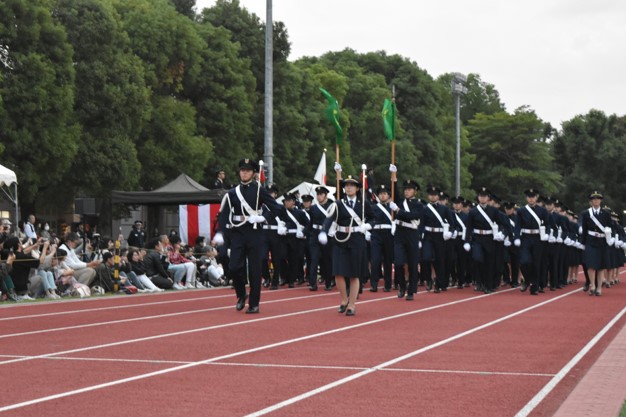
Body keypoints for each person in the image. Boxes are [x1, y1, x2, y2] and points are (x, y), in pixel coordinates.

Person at [213, 158, 285, 314]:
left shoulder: (259, 190)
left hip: (255, 233)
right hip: (237, 233)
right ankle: (241, 294)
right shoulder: (232, 193)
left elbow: (277, 209)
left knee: (255, 270)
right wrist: (220, 233)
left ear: (253, 173)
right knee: (233, 267)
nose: (244, 173)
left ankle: (254, 303)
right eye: (242, 170)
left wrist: (263, 217)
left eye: (247, 171)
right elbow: (224, 215)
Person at [319, 171, 374, 316]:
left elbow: (373, 218)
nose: (348, 188)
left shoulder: (364, 204)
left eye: (352, 186)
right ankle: (344, 300)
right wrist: (324, 231)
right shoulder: (338, 204)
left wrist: (367, 226)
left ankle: (352, 304)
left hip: (357, 239)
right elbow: (329, 219)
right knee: (338, 272)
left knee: (354, 274)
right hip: (340, 239)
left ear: (357, 188)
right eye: (346, 186)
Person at [388, 176, 424, 300]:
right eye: (405, 189)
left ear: (415, 191)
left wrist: (398, 210)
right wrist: (394, 177)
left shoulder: (419, 205)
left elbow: (412, 216)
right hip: (399, 233)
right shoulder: (400, 202)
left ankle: (411, 290)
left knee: (413, 263)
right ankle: (402, 286)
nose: (406, 191)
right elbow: (394, 192)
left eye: (409, 189)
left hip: (412, 234)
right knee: (398, 262)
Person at [514, 188, 552, 295]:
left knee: (536, 263)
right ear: (526, 198)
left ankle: (534, 287)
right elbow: (518, 225)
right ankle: (527, 280)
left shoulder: (542, 211)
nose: (531, 199)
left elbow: (548, 225)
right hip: (525, 238)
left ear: (536, 197)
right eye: (529, 197)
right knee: (524, 261)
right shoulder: (521, 211)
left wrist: (547, 234)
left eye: (533, 197)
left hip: (538, 238)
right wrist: (517, 237)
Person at [579, 191, 612, 296]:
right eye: (594, 199)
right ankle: (592, 285)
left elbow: (610, 227)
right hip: (590, 241)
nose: (596, 200)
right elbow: (584, 229)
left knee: (601, 266)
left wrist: (609, 237)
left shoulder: (606, 214)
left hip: (602, 241)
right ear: (591, 201)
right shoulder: (586, 213)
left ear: (600, 200)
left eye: (598, 199)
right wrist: (582, 243)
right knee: (591, 265)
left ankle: (599, 288)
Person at [308, 186, 335, 291]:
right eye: (318, 194)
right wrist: (308, 233)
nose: (319, 196)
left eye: (321, 194)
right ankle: (312, 283)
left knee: (327, 260)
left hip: (327, 235)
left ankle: (328, 283)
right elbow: (310, 223)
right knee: (314, 259)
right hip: (315, 235)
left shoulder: (331, 205)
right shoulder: (313, 208)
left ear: (325, 195)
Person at [369, 184, 394, 292]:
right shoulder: (373, 207)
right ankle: (374, 284)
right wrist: (368, 231)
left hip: (388, 234)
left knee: (388, 261)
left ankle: (388, 284)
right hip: (376, 234)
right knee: (375, 260)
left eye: (385, 194)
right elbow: (368, 220)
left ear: (388, 195)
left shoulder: (392, 208)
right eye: (380, 194)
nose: (383, 196)